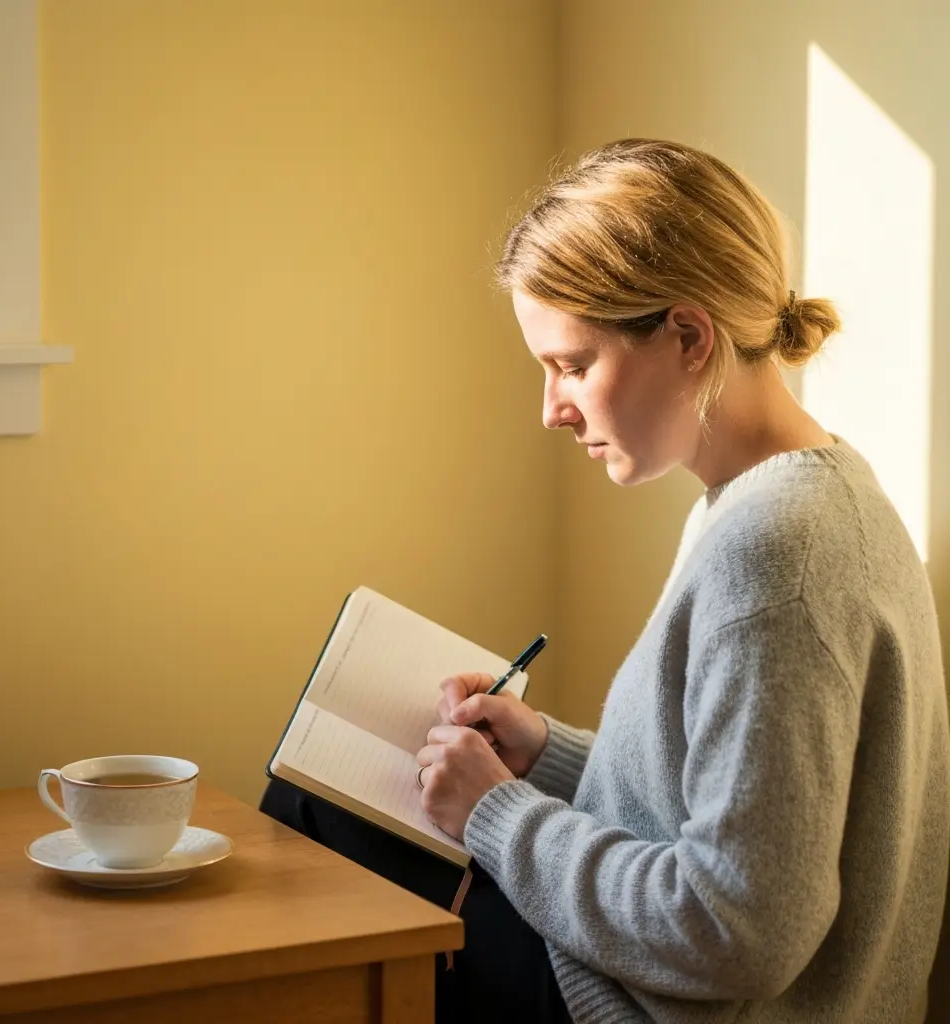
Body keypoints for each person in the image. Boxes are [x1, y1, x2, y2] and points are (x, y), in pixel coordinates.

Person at [262, 138, 950, 1023]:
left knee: (312, 813)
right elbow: (735, 805)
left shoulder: (777, 555)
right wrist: (544, 756)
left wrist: (497, 814)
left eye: (572, 365)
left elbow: (739, 930)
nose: (551, 409)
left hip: (652, 1008)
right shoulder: (797, 497)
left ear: (689, 337)